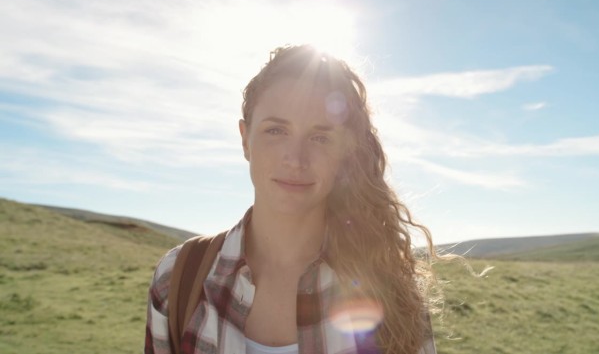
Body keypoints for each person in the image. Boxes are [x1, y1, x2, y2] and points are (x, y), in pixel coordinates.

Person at [145, 45, 438, 354]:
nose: (296, 159)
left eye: (320, 137)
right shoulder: (179, 277)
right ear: (245, 139)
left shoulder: (391, 290)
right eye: (276, 131)